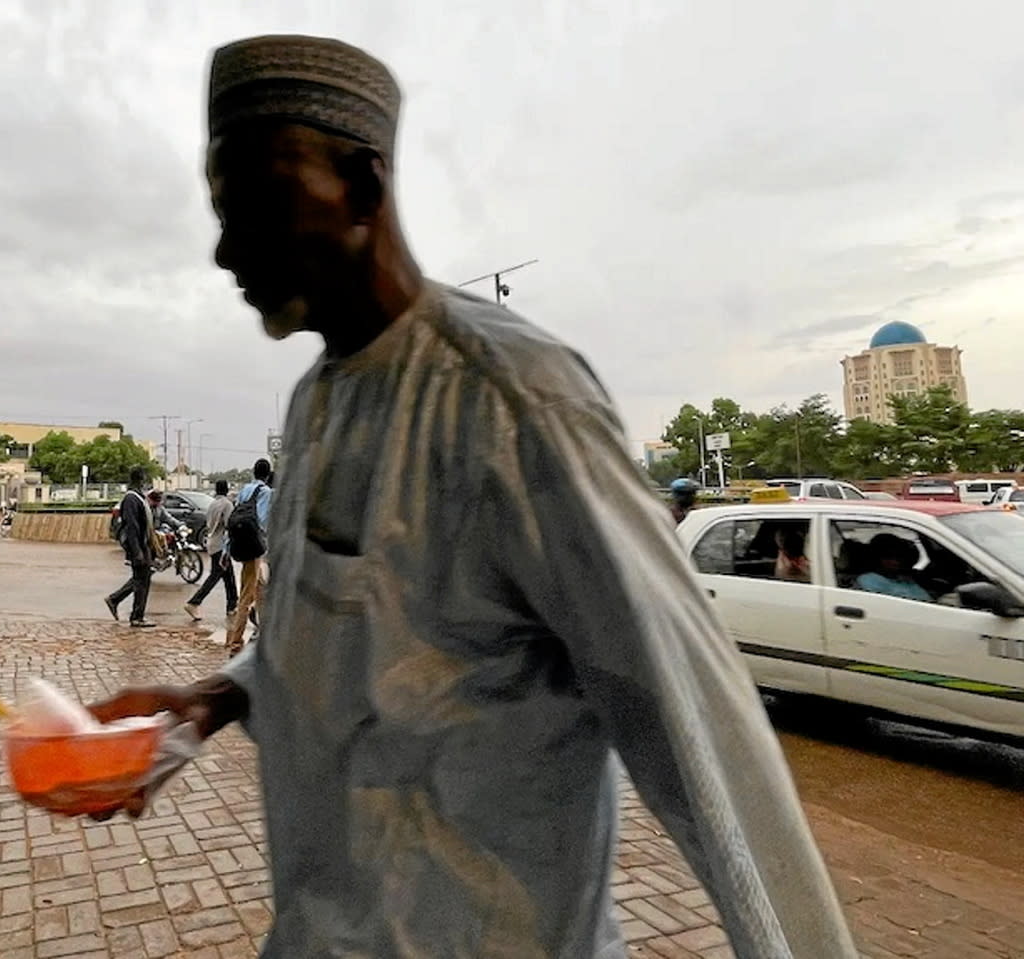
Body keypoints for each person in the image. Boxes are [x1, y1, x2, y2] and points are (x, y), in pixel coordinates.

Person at [87, 35, 854, 957]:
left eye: (255, 204)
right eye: (220, 211)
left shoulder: (516, 402)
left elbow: (698, 730)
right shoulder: (317, 399)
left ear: (363, 187)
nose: (224, 248)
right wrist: (207, 702)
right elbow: (343, 632)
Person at [224, 458, 273, 655]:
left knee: (260, 590)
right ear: (268, 475)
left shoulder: (245, 490)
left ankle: (264, 634)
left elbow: (235, 518)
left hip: (241, 544)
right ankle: (236, 643)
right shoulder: (266, 493)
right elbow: (262, 521)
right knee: (246, 596)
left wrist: (227, 549)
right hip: (255, 547)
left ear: (254, 472)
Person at [105, 467, 156, 628]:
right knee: (141, 581)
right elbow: (132, 527)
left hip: (143, 545)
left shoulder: (139, 498)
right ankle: (136, 617)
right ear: (139, 480)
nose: (145, 483)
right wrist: (137, 552)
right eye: (143, 479)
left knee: (141, 579)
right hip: (138, 547)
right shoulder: (131, 499)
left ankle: (115, 599)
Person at [185, 480, 238, 622]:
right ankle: (194, 602)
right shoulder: (227, 504)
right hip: (221, 544)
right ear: (227, 490)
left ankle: (232, 606)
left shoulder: (213, 504)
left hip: (212, 542)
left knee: (229, 576)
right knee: (216, 575)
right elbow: (229, 525)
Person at [855, 533, 932, 602]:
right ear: (877, 558)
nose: (896, 562)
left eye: (899, 557)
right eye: (889, 557)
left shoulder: (904, 579)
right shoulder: (869, 581)